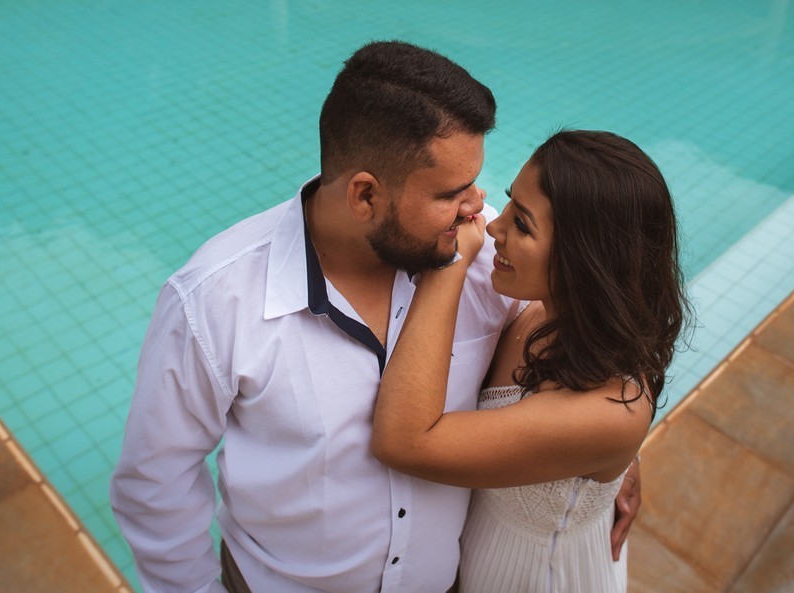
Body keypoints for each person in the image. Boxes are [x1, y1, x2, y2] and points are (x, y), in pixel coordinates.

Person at [110, 42, 641, 593]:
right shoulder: (214, 302)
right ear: (365, 196)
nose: (477, 206)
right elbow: (156, 485)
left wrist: (610, 457)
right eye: (452, 192)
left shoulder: (486, 253)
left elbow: (572, 320)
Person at [372, 130, 689, 592]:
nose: (493, 228)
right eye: (508, 206)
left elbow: (403, 442)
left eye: (521, 224)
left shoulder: (610, 410)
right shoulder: (541, 310)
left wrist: (450, 266)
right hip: (481, 553)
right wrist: (621, 461)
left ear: (585, 260)